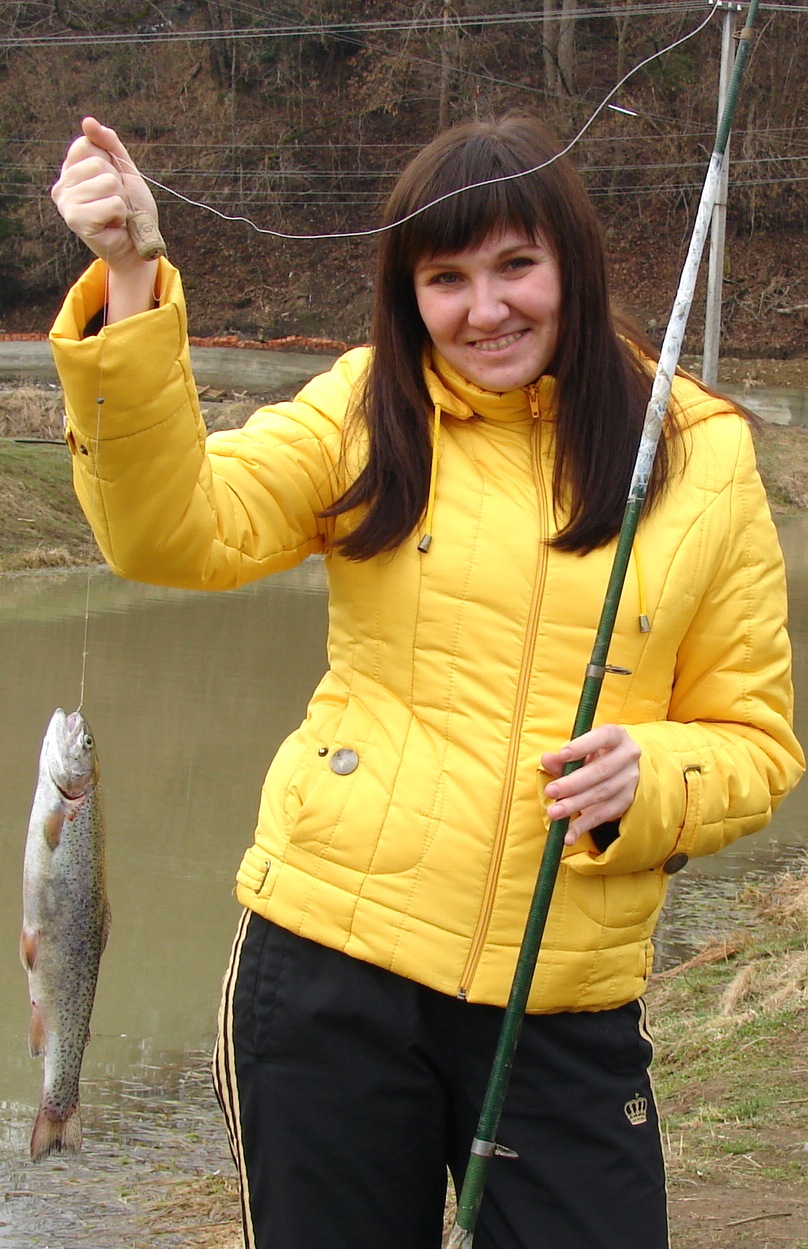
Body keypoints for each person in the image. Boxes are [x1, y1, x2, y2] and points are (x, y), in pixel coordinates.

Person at [50, 114, 803, 1249]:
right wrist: (127, 275)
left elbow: (754, 739)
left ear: (573, 262)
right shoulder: (364, 407)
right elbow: (170, 532)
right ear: (408, 294)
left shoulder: (700, 450)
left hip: (561, 998)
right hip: (330, 971)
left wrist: (653, 777)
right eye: (445, 278)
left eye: (515, 265)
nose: (484, 308)